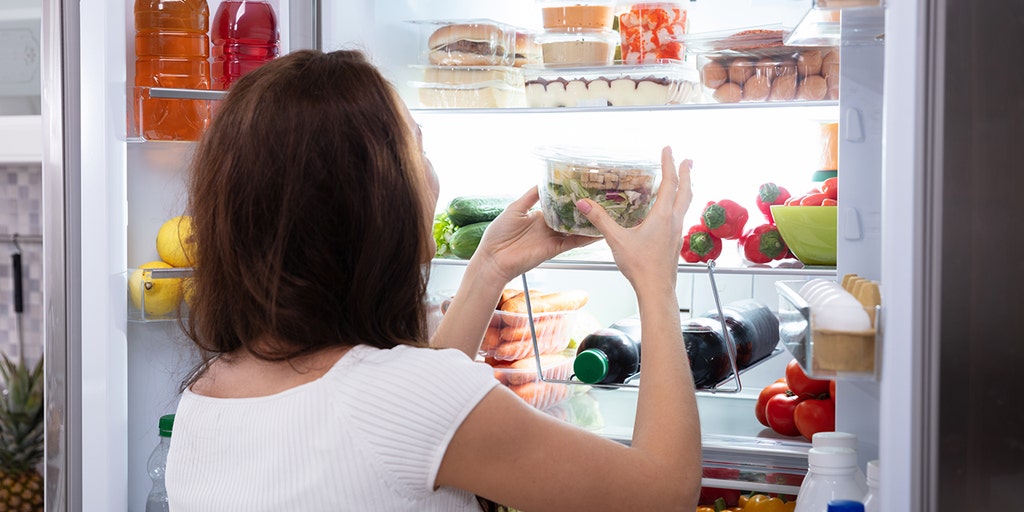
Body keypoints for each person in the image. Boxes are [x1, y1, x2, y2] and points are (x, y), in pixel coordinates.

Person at [165, 48, 701, 511]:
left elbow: (401, 432)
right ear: (375, 203)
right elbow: (663, 495)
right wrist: (657, 286)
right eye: (416, 147)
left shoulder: (205, 394)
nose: (429, 169)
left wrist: (488, 269)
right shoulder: (403, 399)